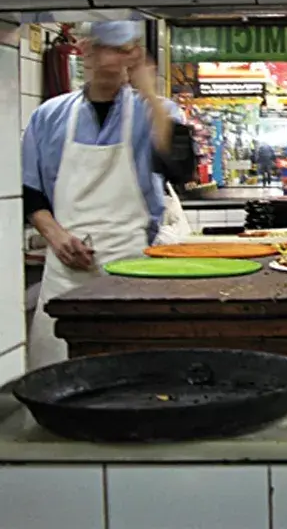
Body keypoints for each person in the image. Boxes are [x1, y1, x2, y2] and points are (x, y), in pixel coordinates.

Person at [21, 20, 189, 370]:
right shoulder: (49, 117)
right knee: (58, 373)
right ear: (86, 50)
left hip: (137, 267)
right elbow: (30, 194)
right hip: (67, 270)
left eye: (127, 50)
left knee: (137, 373)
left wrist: (150, 95)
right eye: (110, 48)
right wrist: (56, 236)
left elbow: (179, 170)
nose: (117, 60)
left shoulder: (157, 111)